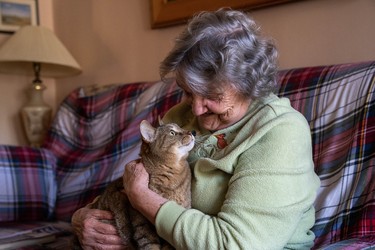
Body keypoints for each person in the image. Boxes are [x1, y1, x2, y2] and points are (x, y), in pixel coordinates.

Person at [72, 8, 320, 249]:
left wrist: (142, 198)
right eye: (189, 92)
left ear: (248, 84)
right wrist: (83, 218)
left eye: (212, 95)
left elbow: (236, 245)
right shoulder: (181, 116)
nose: (197, 110)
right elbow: (149, 178)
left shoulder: (280, 132)